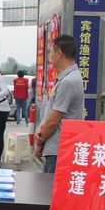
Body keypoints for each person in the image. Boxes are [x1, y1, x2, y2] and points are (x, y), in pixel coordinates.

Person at [33, 35, 84, 174]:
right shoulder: (69, 77)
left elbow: (53, 120)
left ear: (59, 53)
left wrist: (39, 141)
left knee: (50, 193)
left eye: (51, 52)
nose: (50, 56)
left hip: (58, 151)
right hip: (59, 149)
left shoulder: (68, 82)